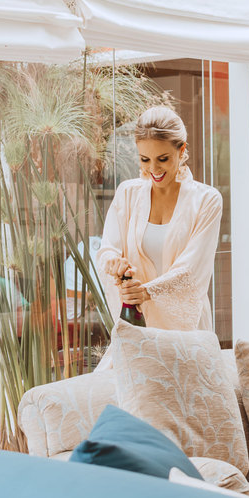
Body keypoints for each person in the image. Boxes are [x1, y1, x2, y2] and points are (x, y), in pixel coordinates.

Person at [95, 105, 222, 331]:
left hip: (187, 330)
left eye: (163, 158)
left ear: (182, 150)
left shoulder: (207, 200)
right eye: (145, 159)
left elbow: (191, 271)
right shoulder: (127, 193)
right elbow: (107, 250)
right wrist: (114, 263)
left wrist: (146, 292)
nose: (153, 169)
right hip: (137, 326)